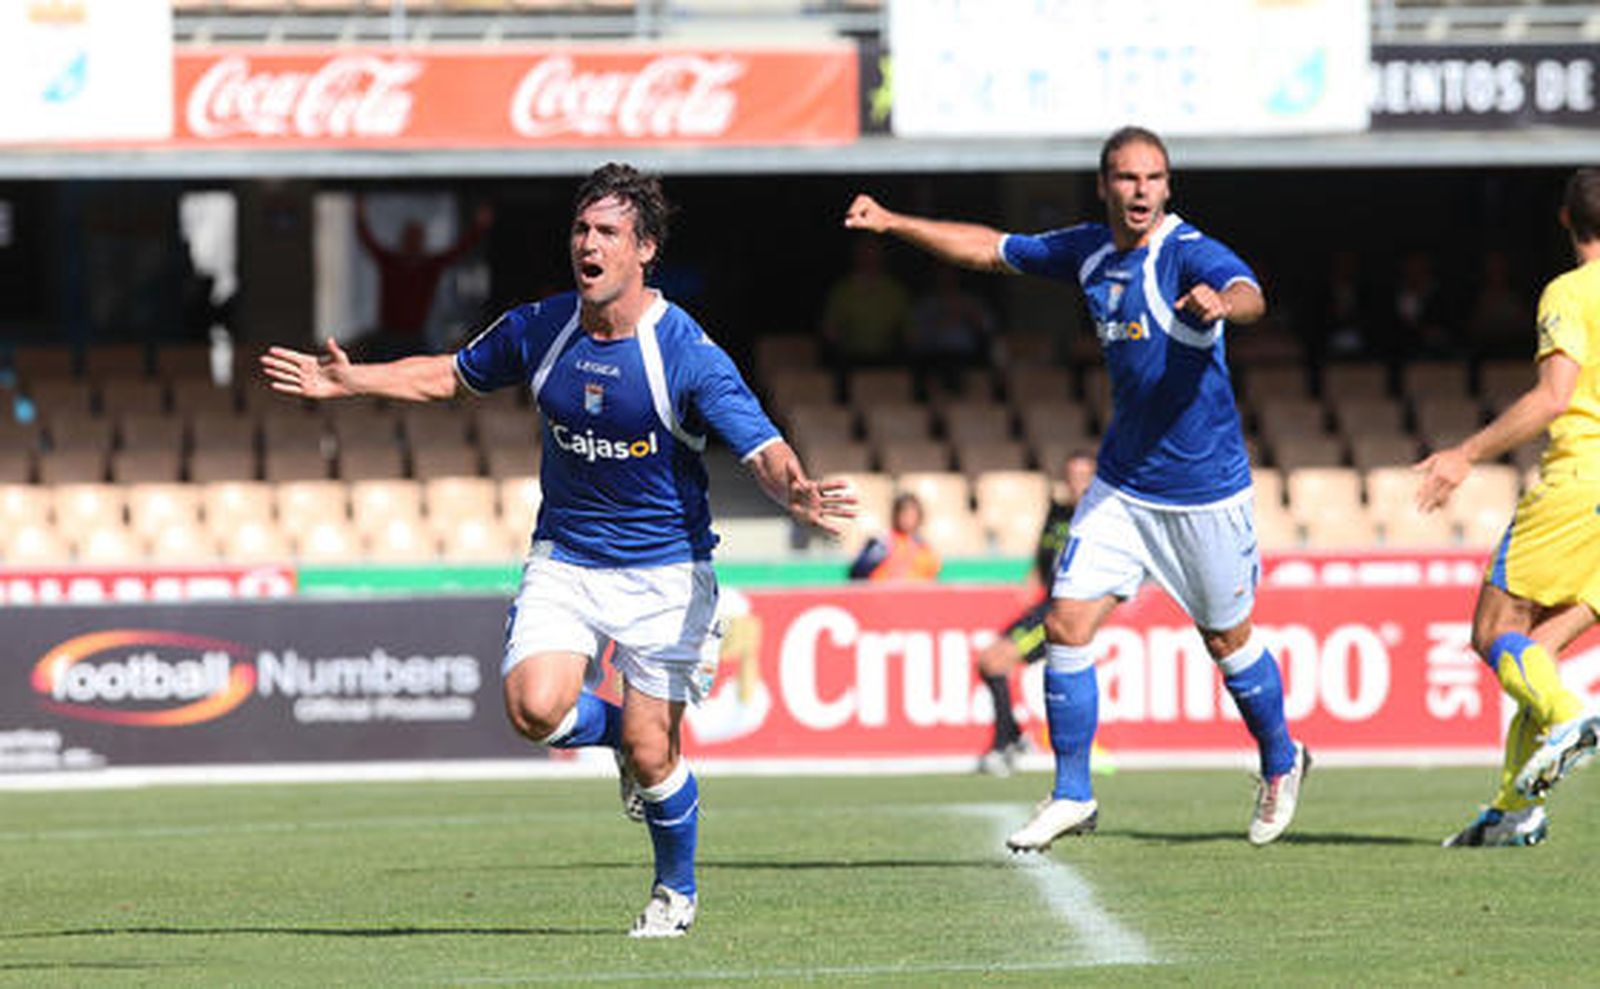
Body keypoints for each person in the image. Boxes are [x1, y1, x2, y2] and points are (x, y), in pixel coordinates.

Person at [262, 164, 856, 935]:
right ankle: (616, 733)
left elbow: (763, 449)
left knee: (655, 755)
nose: (588, 242)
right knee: (533, 706)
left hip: (667, 571)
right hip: (568, 556)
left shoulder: (685, 353)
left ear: (644, 249)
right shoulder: (542, 327)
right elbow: (450, 376)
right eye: (581, 228)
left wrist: (794, 491)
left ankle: (675, 891)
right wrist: (352, 382)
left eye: (607, 231)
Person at [844, 125, 1309, 850]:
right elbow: (989, 246)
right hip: (1122, 482)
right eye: (1126, 178)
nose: (1141, 190)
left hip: (1204, 491)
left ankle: (1283, 757)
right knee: (1064, 624)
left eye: (1153, 177)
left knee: (1227, 639)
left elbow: (1250, 291)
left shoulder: (1187, 253)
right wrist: (896, 222)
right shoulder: (1088, 250)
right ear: (1104, 186)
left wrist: (1224, 303)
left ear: (1168, 185)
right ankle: (1071, 791)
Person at [1417, 168, 1600, 848]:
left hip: (1580, 481)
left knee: (1493, 633)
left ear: (1564, 220)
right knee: (1538, 649)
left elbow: (1554, 396)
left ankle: (1568, 716)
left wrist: (1465, 451)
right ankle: (1512, 809)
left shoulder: (1571, 291)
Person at [975, 450, 1095, 777]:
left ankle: (1006, 743)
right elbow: (1043, 557)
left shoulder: (1099, 518)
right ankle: (1011, 737)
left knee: (994, 661)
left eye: (1084, 477)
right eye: (1071, 476)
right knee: (988, 661)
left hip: (1070, 612)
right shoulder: (1057, 512)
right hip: (1046, 605)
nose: (1076, 484)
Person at [355, 195, 494, 359]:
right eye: (411, 237)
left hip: (414, 334)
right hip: (390, 335)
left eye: (417, 238)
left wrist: (479, 226)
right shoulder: (391, 261)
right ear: (403, 240)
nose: (414, 242)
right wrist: (359, 213)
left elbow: (460, 249)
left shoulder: (429, 266)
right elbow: (367, 240)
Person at [820, 236, 911, 367]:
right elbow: (830, 330)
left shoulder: (896, 291)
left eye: (874, 252)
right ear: (856, 256)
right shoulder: (842, 290)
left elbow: (909, 334)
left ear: (882, 256)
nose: (869, 257)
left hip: (888, 359)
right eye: (865, 252)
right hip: (850, 359)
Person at [847, 491, 941, 581]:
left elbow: (931, 580)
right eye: (904, 514)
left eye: (912, 515)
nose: (908, 519)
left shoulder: (924, 548)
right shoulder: (881, 543)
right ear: (896, 515)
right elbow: (857, 574)